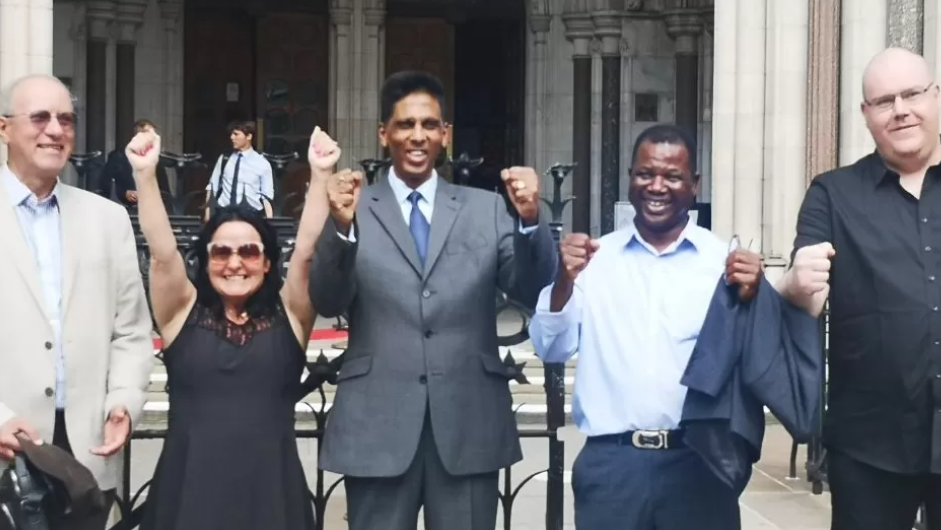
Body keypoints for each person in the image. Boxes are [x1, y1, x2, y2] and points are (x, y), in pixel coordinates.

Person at [308, 70, 557, 530]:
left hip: (467, 423)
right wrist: (341, 230)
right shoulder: (354, 206)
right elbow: (326, 298)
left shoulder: (486, 208)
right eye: (405, 125)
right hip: (377, 425)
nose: (417, 136)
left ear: (446, 134)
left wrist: (529, 221)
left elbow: (530, 286)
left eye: (429, 125)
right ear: (384, 134)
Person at [528, 124, 764, 530]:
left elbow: (760, 357)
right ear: (631, 178)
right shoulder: (595, 261)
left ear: (694, 185)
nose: (657, 187)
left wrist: (757, 295)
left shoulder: (723, 263)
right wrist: (564, 281)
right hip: (613, 469)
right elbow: (550, 347)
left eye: (672, 176)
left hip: (700, 463)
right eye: (645, 174)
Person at [130, 124, 336, 530]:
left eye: (248, 251)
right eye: (221, 252)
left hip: (272, 498)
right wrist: (145, 174)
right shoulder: (180, 314)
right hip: (188, 495)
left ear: (267, 261)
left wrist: (322, 174)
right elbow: (162, 254)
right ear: (205, 261)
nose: (235, 262)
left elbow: (308, 252)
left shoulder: (290, 315)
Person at [777, 47, 941, 530]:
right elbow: (802, 291)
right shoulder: (832, 194)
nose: (901, 109)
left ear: (937, 98)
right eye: (885, 101)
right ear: (867, 116)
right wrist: (792, 283)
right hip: (870, 444)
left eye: (912, 94)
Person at [0, 74, 154, 527]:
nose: (56, 130)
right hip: (9, 448)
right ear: (4, 128)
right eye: (41, 117)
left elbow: (131, 330)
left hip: (87, 457)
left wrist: (123, 400)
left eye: (66, 119)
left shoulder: (107, 219)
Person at [204, 121, 274, 219]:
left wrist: (269, 221)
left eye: (236, 134)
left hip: (251, 215)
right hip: (225, 213)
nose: (232, 137)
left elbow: (266, 196)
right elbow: (212, 188)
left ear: (249, 136)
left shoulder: (262, 163)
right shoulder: (224, 159)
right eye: (232, 134)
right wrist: (208, 215)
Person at [102, 119, 170, 207]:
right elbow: (105, 185)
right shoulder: (118, 157)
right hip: (123, 208)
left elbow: (165, 191)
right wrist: (125, 193)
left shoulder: (156, 161)